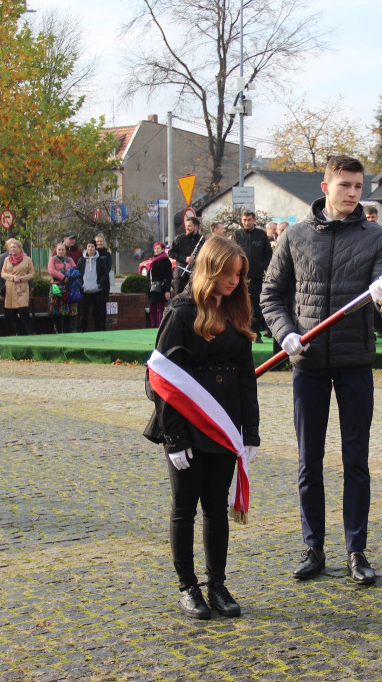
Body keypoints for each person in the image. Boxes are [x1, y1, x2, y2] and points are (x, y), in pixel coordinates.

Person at [261, 155, 382, 585]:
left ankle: (357, 550)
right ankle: (313, 547)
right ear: (325, 187)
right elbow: (271, 295)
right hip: (309, 363)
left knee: (356, 460)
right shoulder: (295, 237)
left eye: (358, 186)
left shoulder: (377, 238)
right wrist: (285, 333)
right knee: (309, 461)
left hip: (355, 362)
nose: (353, 193)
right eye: (345, 186)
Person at [146, 236, 260, 620]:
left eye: (239, 274)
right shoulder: (180, 312)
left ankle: (217, 585)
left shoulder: (235, 310)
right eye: (229, 272)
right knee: (185, 508)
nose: (234, 280)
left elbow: (246, 378)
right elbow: (159, 381)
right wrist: (174, 437)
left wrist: (251, 432)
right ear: (211, 268)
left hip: (224, 426)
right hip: (186, 428)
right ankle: (188, 586)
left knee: (215, 507)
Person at [232, 209, 272, 337]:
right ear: (241, 220)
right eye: (244, 220)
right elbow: (231, 252)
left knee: (255, 304)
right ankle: (240, 329)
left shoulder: (261, 234)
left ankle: (255, 332)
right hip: (240, 275)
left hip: (256, 276)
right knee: (239, 302)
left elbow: (268, 254)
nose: (247, 222)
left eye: (249, 220)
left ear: (254, 220)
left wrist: (262, 267)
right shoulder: (237, 234)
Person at [1, 238, 34, 336]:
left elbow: (32, 273)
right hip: (10, 289)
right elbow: (3, 273)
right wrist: (12, 277)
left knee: (23, 311)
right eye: (11, 247)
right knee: (11, 313)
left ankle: (28, 331)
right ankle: (17, 332)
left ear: (20, 248)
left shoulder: (27, 260)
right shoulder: (7, 260)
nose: (12, 249)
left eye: (14, 247)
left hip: (22, 288)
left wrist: (22, 278)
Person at [77, 240, 109, 331]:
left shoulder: (100, 260)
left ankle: (98, 331)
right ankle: (82, 331)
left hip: (97, 291)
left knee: (98, 313)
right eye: (88, 246)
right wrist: (81, 285)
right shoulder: (81, 260)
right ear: (86, 248)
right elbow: (78, 273)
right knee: (83, 313)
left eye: (92, 246)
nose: (90, 248)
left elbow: (104, 274)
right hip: (85, 291)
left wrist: (99, 284)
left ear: (95, 248)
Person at [170, 216, 205, 295]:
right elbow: (171, 253)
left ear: (196, 227)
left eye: (189, 226)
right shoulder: (179, 239)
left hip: (195, 273)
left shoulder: (202, 240)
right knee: (179, 297)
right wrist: (185, 258)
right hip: (181, 273)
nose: (187, 228)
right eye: (186, 226)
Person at [47, 242, 77, 333]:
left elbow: (74, 269)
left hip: (68, 286)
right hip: (56, 286)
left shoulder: (70, 259)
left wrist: (69, 278)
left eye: (62, 249)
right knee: (57, 309)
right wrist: (63, 277)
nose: (61, 251)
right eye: (59, 249)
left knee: (68, 309)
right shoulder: (52, 259)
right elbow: (52, 271)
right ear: (56, 250)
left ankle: (67, 330)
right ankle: (58, 330)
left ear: (65, 251)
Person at [147, 241, 173, 328]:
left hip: (161, 287)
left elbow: (168, 276)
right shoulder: (153, 260)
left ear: (162, 249)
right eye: (155, 248)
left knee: (160, 308)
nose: (156, 250)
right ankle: (153, 325)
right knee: (152, 307)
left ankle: (160, 326)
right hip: (152, 288)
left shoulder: (165, 260)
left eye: (158, 248)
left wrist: (167, 290)